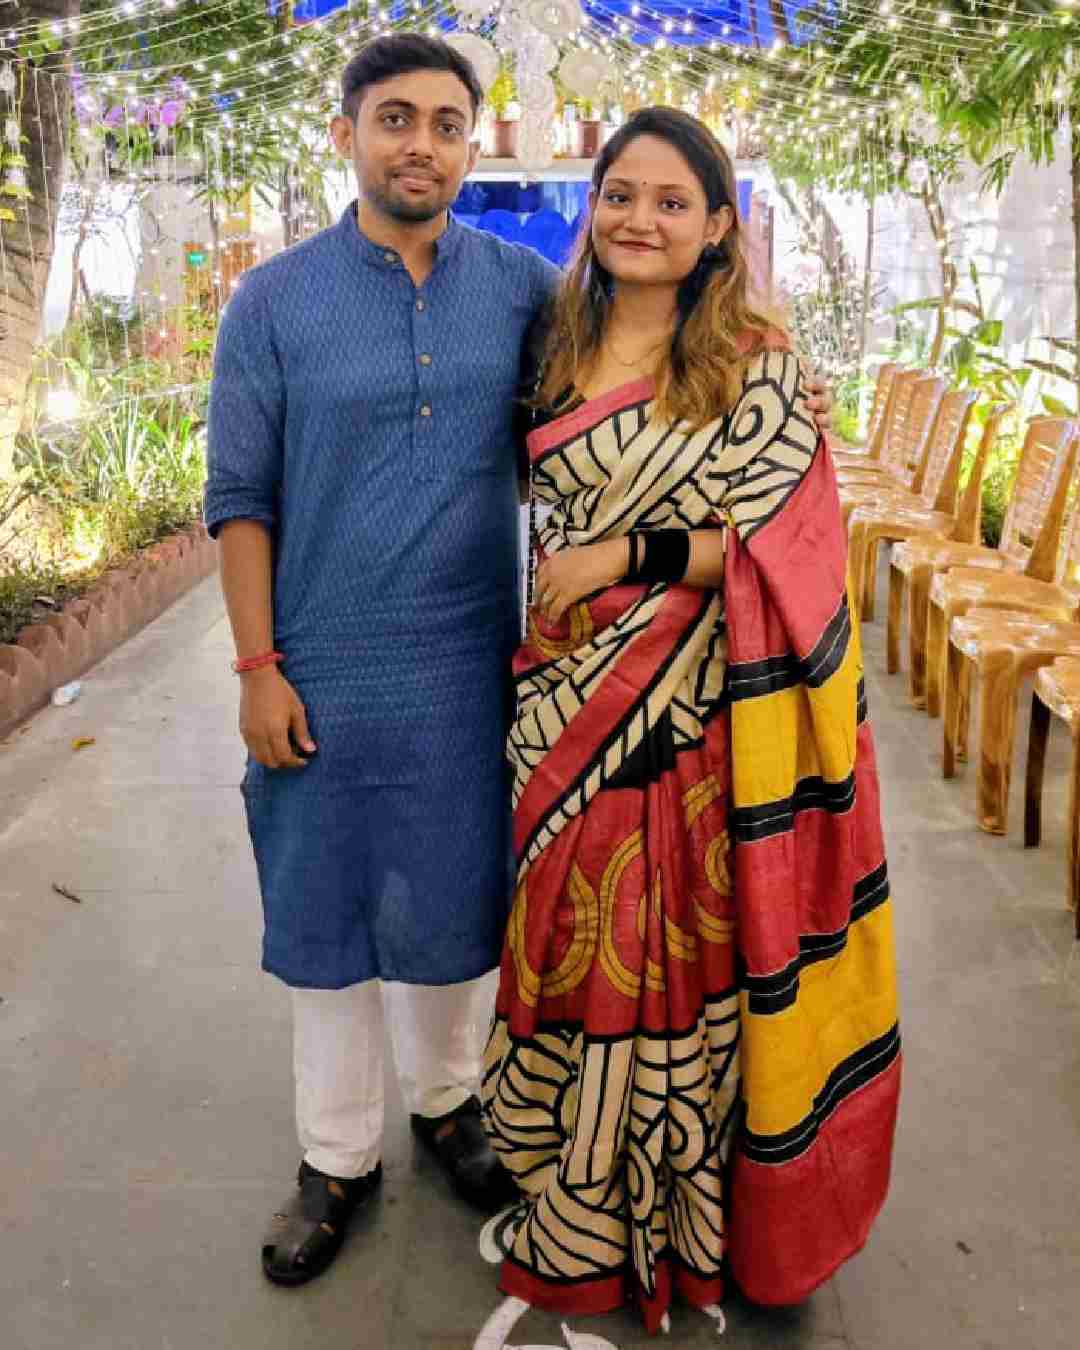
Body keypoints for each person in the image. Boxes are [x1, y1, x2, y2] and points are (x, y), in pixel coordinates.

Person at [204, 34, 835, 1289]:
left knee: (459, 902)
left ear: (468, 143)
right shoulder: (271, 302)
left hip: (473, 666)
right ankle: (336, 1157)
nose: (421, 144)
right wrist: (257, 664)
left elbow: (646, 358)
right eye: (395, 118)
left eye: (447, 123)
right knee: (324, 915)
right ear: (345, 134)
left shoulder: (520, 292)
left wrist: (775, 379)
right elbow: (239, 499)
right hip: (319, 665)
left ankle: (449, 1109)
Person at [481, 108, 900, 1335]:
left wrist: (627, 552)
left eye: (673, 201)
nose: (641, 219)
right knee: (568, 932)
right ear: (592, 204)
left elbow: (783, 547)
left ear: (719, 223)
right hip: (559, 692)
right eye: (620, 193)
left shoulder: (755, 360)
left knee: (680, 953)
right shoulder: (551, 338)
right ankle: (579, 1189)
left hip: (693, 709)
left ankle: (687, 1216)